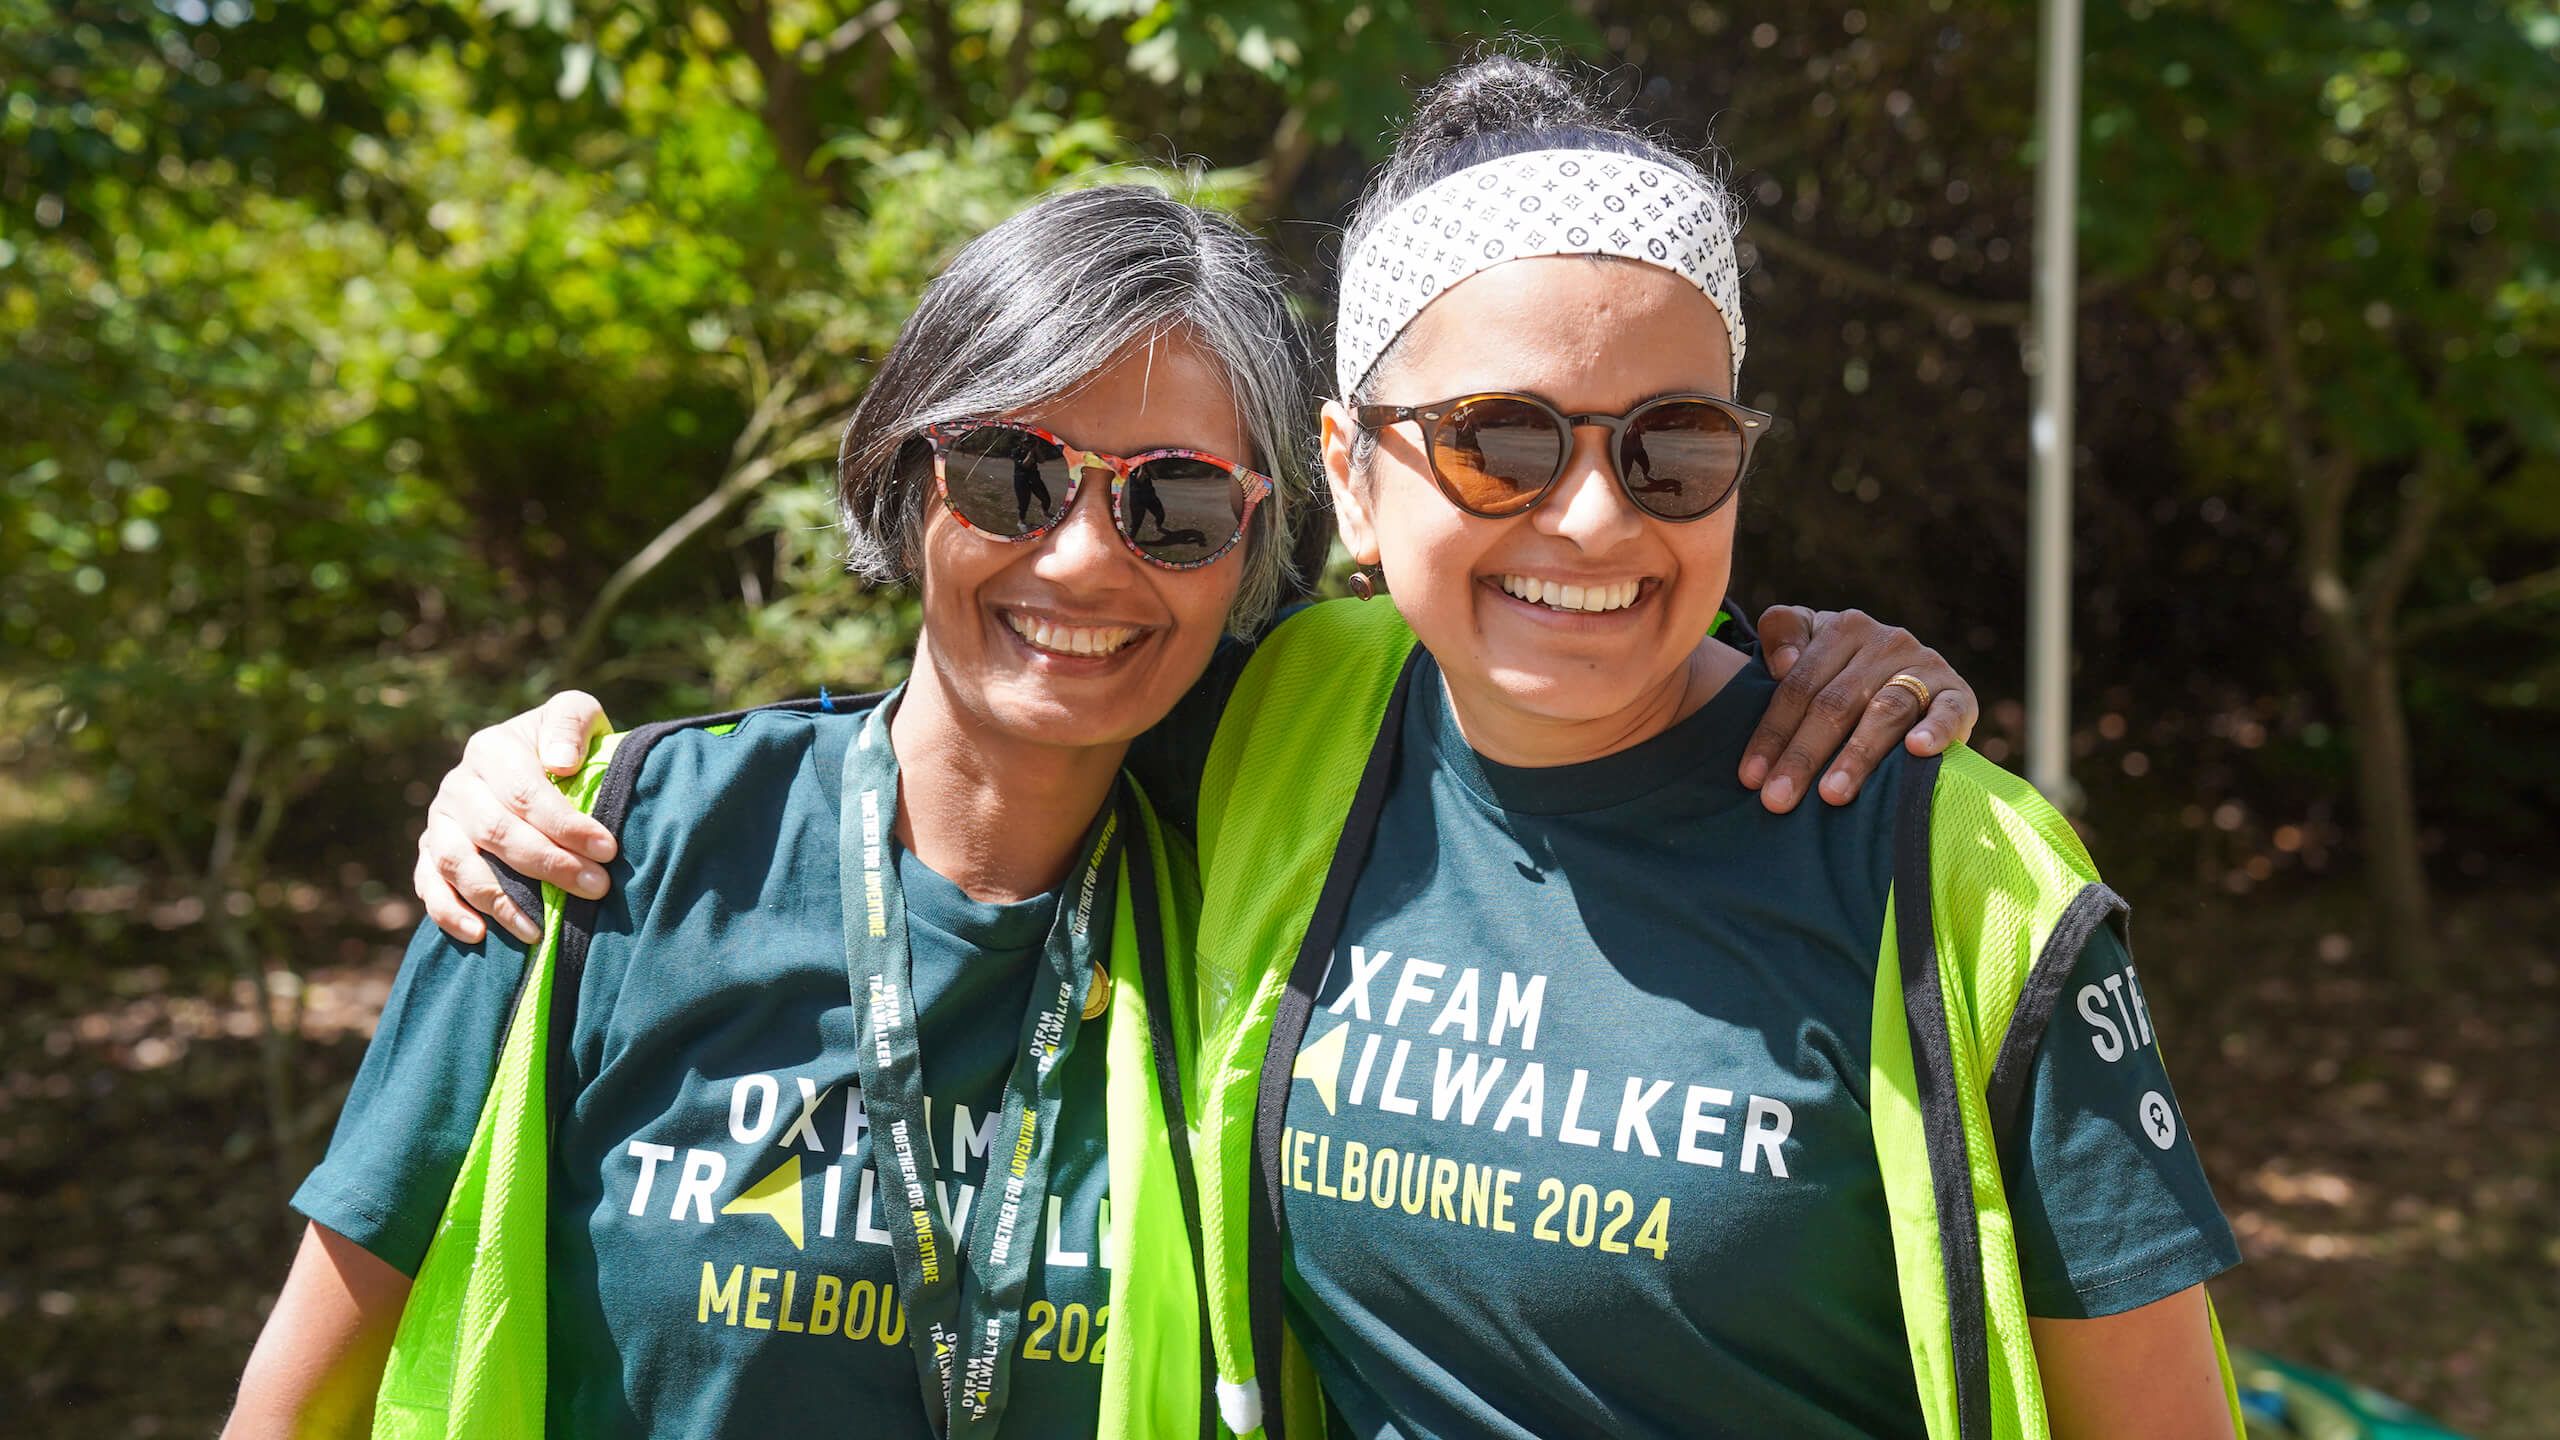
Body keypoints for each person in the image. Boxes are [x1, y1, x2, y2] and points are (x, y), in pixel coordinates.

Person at [242, 180, 1975, 1438]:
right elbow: (309, 1389)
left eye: (1177, 506)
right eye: (1013, 474)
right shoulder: (616, 850)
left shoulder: (1267, 884)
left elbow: (1548, 607)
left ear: (1266, 552)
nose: (1083, 556)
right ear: (905, 479)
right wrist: (496, 767)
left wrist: (1823, 659)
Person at [1176, 55, 2245, 1440]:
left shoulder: (1944, 863)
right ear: (1351, 475)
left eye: (1669, 449)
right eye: (1501, 443)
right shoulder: (1276, 721)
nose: (1596, 523)